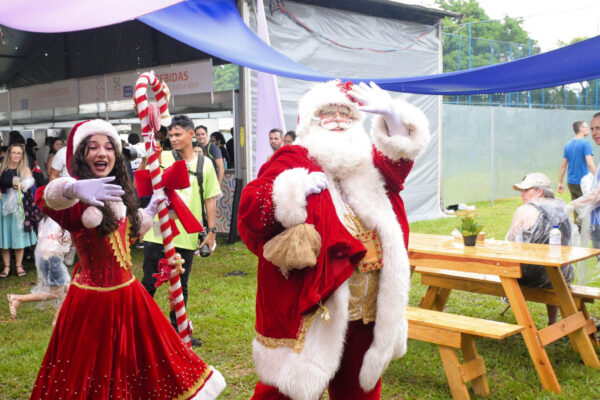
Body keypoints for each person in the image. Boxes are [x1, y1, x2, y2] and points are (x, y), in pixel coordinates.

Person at [238, 80, 430, 400]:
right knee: (285, 389)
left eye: (347, 113)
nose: (339, 119)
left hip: (368, 304)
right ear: (310, 121)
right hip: (315, 300)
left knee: (358, 390)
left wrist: (393, 116)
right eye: (329, 113)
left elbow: (398, 164)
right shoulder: (292, 157)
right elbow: (251, 212)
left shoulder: (366, 164)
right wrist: (292, 189)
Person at [30, 119, 225, 399]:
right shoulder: (77, 202)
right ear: (82, 154)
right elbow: (43, 198)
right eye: (93, 147)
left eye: (109, 147)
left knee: (142, 363)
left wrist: (154, 208)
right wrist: (73, 189)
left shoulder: (118, 195)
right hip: (92, 304)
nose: (102, 153)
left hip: (129, 297)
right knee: (91, 374)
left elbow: (126, 236)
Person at [142, 115, 221, 348]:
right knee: (150, 282)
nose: (174, 139)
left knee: (180, 285)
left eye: (178, 135)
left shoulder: (204, 164)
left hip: (186, 235)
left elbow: (209, 199)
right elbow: (144, 177)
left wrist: (211, 231)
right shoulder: (163, 156)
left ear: (191, 134)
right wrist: (150, 156)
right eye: (171, 135)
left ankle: (179, 331)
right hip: (158, 232)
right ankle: (137, 329)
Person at [506, 172, 575, 325]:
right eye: (521, 191)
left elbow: (511, 244)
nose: (521, 194)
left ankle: (521, 319)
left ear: (539, 191)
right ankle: (552, 321)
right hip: (563, 274)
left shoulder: (524, 211)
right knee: (551, 267)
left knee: (505, 270)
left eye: (526, 190)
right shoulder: (562, 208)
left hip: (530, 277)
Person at [7, 216, 71, 325]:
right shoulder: (60, 218)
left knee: (67, 287)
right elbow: (64, 240)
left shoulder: (48, 219)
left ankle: (57, 321)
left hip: (45, 256)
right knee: (56, 292)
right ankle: (18, 298)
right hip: (52, 258)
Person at [0, 144, 37, 278]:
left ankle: (19, 265)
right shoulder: (1, 168)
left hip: (18, 207)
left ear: (22, 155)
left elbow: (30, 183)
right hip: (2, 205)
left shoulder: (24, 169)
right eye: (14, 152)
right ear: (9, 154)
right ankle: (6, 267)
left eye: (19, 153)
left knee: (18, 236)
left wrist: (24, 185)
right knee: (4, 237)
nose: (16, 155)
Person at [558, 121, 596, 227]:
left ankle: (577, 233)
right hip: (584, 183)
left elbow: (563, 165)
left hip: (571, 182)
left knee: (577, 208)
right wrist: (598, 177)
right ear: (581, 129)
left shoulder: (568, 145)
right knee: (589, 208)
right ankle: (588, 233)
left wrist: (559, 183)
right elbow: (590, 163)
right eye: (586, 127)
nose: (589, 129)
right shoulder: (586, 143)